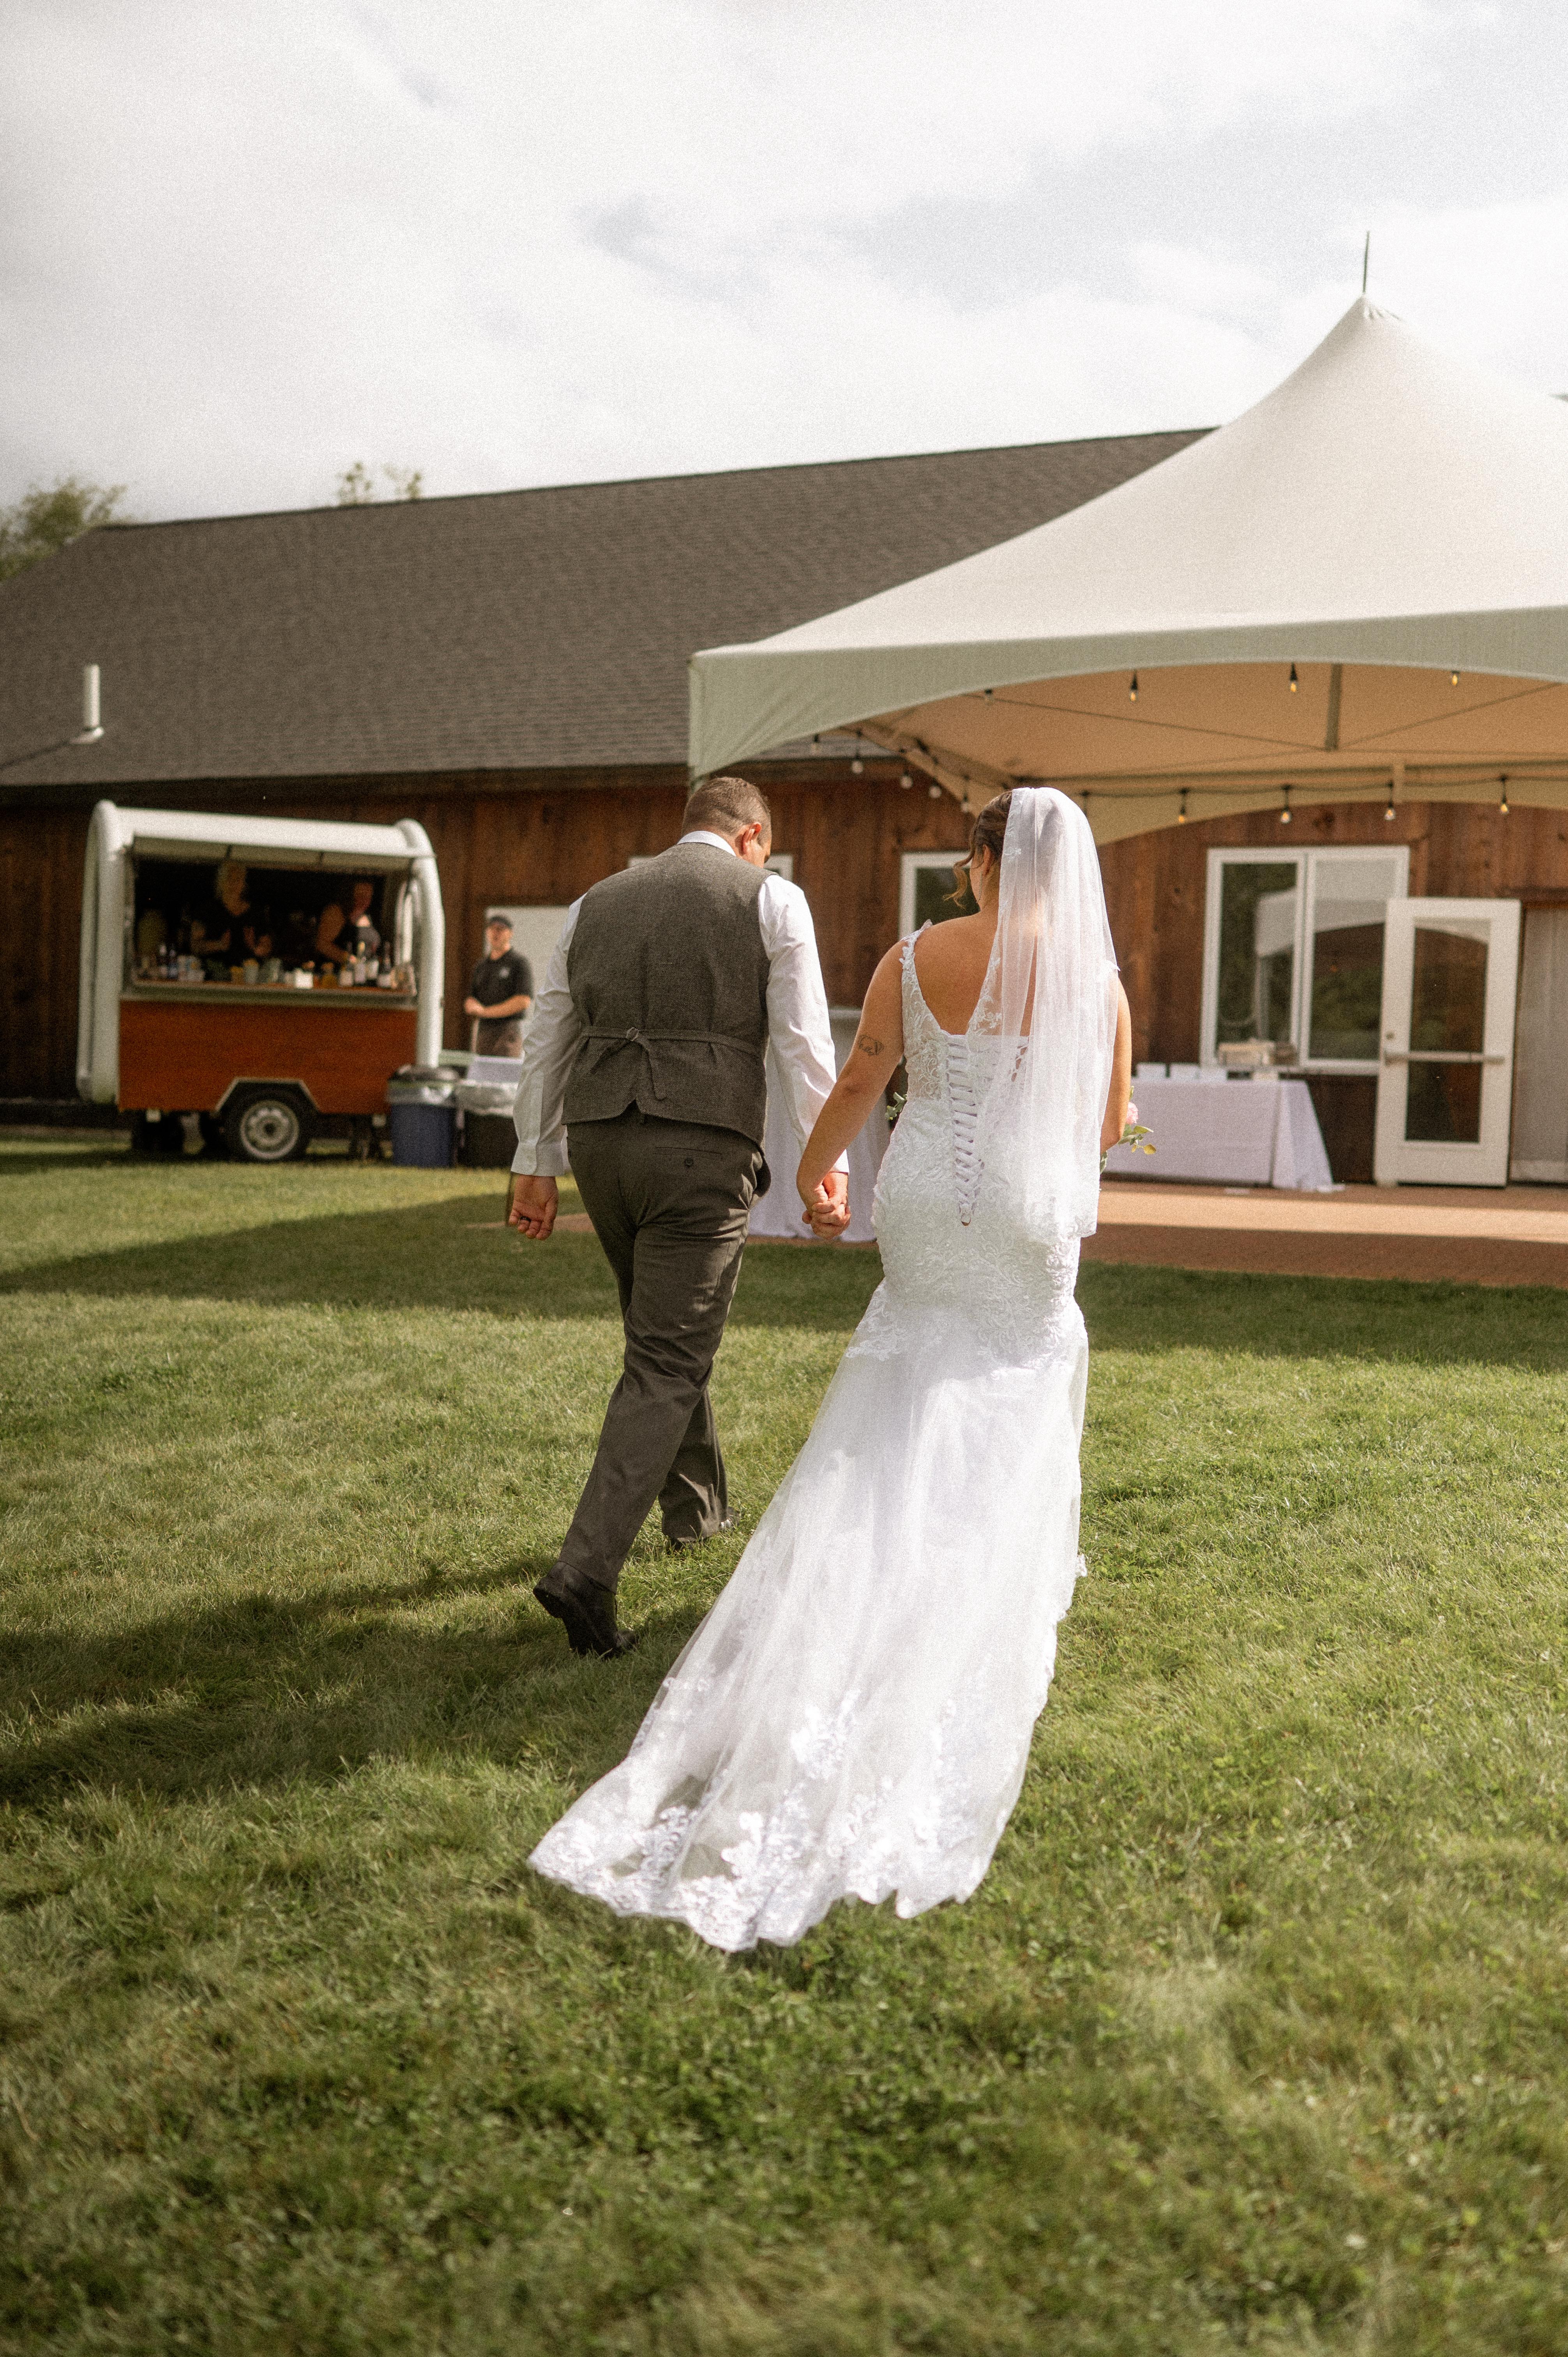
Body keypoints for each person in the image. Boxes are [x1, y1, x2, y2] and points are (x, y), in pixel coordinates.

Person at [528, 787, 1132, 1952]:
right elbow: (1105, 1125)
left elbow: (859, 1077)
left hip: (925, 1199)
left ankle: (849, 1565)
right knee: (1013, 1377)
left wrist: (813, 1173)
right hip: (1026, 1212)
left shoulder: (914, 956)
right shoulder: (1094, 982)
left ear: (981, 859)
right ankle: (974, 1566)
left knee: (898, 1381)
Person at [508, 775, 849, 1661]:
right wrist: (827, 1163)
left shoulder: (594, 903)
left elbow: (547, 1037)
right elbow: (802, 1041)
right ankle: (585, 1572)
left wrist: (533, 1161)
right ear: (752, 837)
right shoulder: (772, 898)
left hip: (598, 1145)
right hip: (699, 1146)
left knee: (658, 1333)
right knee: (667, 1356)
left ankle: (695, 1511)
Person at [464, 915, 533, 1056]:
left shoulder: (519, 963)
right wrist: (472, 1006)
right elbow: (472, 998)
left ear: (510, 933)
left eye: (501, 929)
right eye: (492, 929)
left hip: (508, 1030)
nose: (496, 933)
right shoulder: (481, 966)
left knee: (505, 1067)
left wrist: (486, 1012)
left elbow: (523, 1001)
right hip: (484, 1030)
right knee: (482, 1066)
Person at [190, 860, 272, 963]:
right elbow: (195, 947)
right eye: (229, 879)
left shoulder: (256, 913)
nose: (233, 884)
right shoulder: (206, 910)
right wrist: (219, 945)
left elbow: (267, 948)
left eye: (238, 880)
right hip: (214, 970)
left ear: (244, 884)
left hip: (248, 971)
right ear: (221, 882)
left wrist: (255, 948)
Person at [316, 880, 378, 971]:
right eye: (361, 896)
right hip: (334, 971)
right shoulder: (336, 913)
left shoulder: (368, 916)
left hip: (363, 971)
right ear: (350, 895)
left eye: (368, 897)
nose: (365, 901)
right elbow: (322, 945)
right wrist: (349, 959)